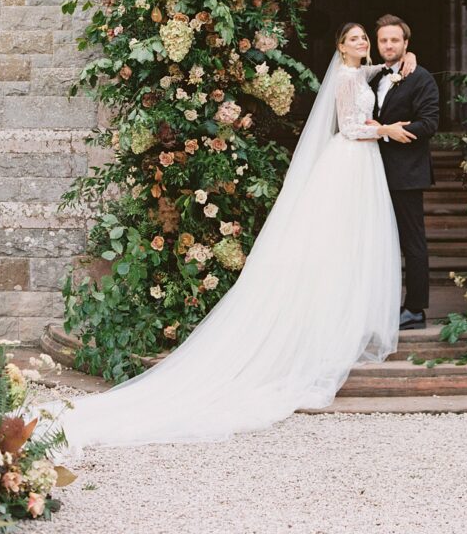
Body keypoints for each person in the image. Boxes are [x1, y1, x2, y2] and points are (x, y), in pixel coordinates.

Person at [42, 24, 417, 454]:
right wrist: (386, 130)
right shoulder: (347, 79)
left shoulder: (361, 73)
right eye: (354, 40)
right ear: (339, 46)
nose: (362, 44)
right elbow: (350, 127)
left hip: (359, 165)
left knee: (351, 243)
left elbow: (376, 72)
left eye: (364, 40)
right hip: (352, 157)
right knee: (337, 241)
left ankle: (348, 309)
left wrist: (406, 62)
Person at [370, 15, 440, 331]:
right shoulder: (369, 77)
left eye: (395, 40)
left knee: (412, 242)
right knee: (373, 241)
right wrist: (382, 130)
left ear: (406, 44)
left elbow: (429, 123)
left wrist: (392, 132)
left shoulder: (421, 78)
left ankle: (414, 308)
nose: (388, 45)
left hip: (407, 173)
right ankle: (375, 305)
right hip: (369, 172)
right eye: (383, 40)